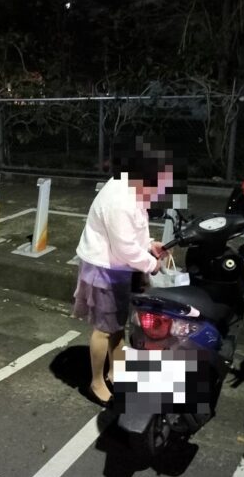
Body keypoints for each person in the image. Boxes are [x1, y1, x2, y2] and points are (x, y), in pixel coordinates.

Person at [73, 149, 176, 407]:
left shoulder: (131, 186)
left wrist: (149, 244)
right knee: (104, 329)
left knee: (117, 324)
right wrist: (152, 264)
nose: (160, 192)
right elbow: (125, 249)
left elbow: (132, 232)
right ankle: (96, 383)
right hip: (104, 269)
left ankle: (116, 372)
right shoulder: (120, 201)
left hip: (117, 265)